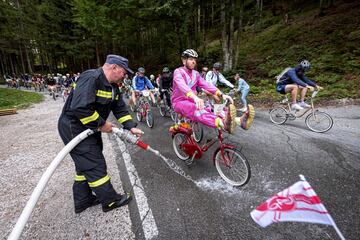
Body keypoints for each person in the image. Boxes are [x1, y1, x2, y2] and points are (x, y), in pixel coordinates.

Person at [58, 54, 143, 214]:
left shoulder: (113, 87)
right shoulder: (91, 78)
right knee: (95, 163)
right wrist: (102, 124)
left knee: (85, 164)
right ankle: (110, 201)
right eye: (124, 73)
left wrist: (130, 126)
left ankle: (83, 200)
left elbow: (119, 108)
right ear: (114, 67)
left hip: (90, 128)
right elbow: (80, 107)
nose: (125, 76)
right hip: (74, 127)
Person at [172, 49, 255, 133]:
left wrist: (221, 94)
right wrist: (195, 97)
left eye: (195, 60)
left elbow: (206, 85)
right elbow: (182, 85)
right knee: (197, 108)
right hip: (179, 102)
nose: (193, 62)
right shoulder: (178, 72)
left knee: (211, 108)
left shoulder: (196, 74)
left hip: (192, 100)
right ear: (184, 61)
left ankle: (239, 121)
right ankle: (222, 123)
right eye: (191, 59)